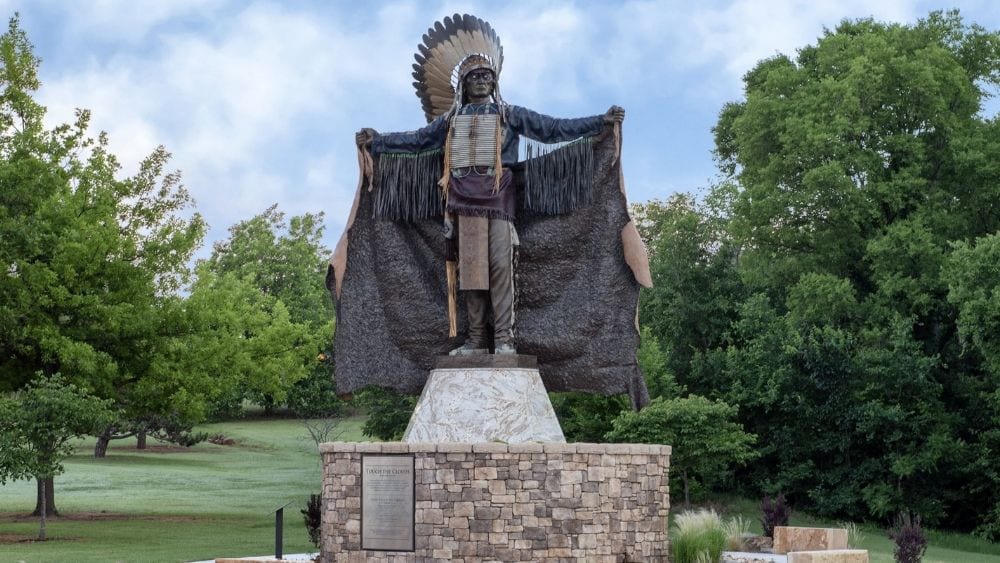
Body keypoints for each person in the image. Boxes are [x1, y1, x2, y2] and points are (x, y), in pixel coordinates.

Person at [355, 33, 623, 357]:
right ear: (463, 85)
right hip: (463, 203)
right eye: (474, 77)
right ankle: (476, 341)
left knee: (499, 270)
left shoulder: (510, 115)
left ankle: (505, 340)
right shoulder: (451, 120)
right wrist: (378, 142)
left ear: (494, 82)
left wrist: (600, 122)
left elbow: (553, 129)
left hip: (498, 202)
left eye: (486, 76)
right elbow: (417, 141)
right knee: (472, 274)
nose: (481, 81)